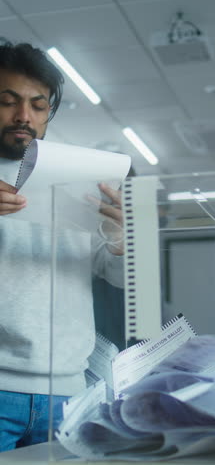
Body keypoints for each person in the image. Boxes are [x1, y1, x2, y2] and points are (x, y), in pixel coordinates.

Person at [0, 41, 124, 451]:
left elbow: (115, 276)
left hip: (71, 393)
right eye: (9, 101)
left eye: (38, 105)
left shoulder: (80, 176)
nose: (24, 116)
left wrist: (124, 238)